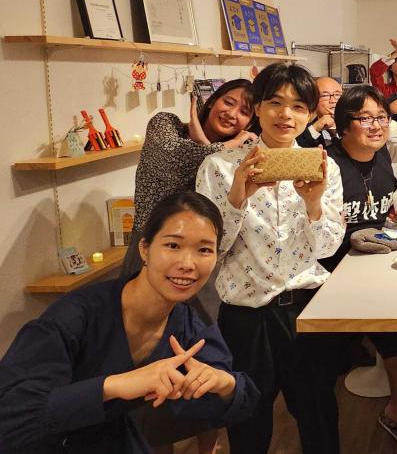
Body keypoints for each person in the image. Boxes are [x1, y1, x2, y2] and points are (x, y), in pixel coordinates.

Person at [0, 192, 259, 453]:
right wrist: (115, 385)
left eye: (204, 250)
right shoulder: (75, 317)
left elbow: (237, 398)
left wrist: (224, 384)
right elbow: (12, 416)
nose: (187, 264)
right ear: (144, 248)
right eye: (173, 245)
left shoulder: (187, 327)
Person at [196, 62, 346, 454]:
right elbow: (208, 250)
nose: (286, 115)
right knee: (248, 421)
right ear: (258, 107)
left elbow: (328, 248)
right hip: (246, 314)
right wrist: (236, 199)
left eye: (298, 107)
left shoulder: (323, 166)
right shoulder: (219, 167)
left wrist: (314, 204)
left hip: (306, 308)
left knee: (319, 415)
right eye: (275, 103)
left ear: (309, 114)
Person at [320, 85, 397, 453]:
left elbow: (384, 209)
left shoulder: (381, 158)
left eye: (381, 117)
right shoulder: (327, 165)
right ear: (342, 126)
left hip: (377, 264)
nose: (377, 125)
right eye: (365, 118)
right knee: (320, 370)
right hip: (331, 276)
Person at [128, 79, 257, 331]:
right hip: (152, 245)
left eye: (244, 111)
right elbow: (174, 157)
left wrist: (214, 148)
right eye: (228, 102)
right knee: (142, 327)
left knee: (202, 333)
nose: (232, 114)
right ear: (211, 101)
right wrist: (223, 146)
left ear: (250, 123)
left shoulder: (238, 156)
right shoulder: (166, 124)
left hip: (204, 253)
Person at [297, 76, 340, 148]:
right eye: (325, 95)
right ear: (313, 101)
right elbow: (296, 150)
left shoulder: (354, 125)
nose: (333, 101)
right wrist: (315, 128)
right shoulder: (303, 130)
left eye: (337, 95)